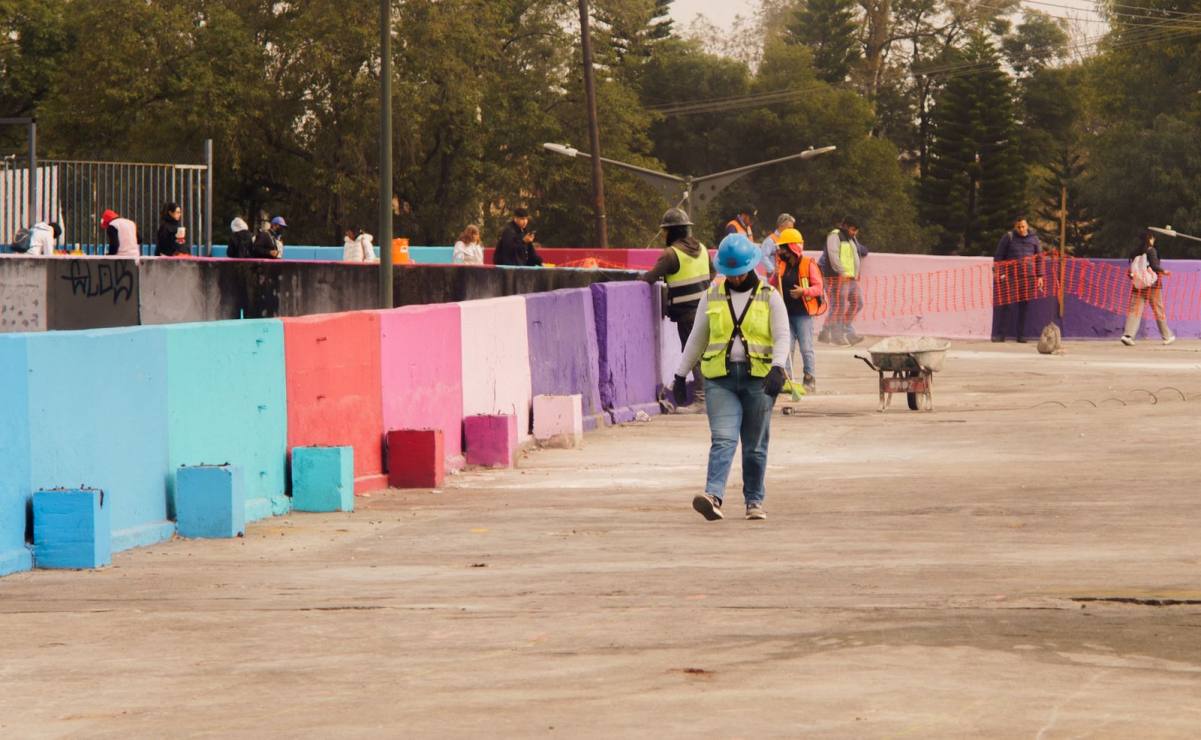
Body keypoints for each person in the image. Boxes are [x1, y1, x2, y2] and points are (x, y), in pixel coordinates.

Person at [673, 233, 790, 522]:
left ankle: (754, 500)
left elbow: (782, 335)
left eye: (739, 274)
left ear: (751, 266)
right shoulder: (711, 296)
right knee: (723, 439)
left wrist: (778, 367)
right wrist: (680, 373)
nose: (735, 279)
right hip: (720, 380)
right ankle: (713, 496)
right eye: (730, 274)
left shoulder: (769, 296)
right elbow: (697, 338)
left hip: (759, 380)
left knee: (754, 445)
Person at [640, 207, 716, 408]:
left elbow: (649, 277)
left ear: (673, 231)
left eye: (665, 230)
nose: (663, 234)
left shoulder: (671, 254)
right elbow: (712, 273)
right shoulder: (702, 249)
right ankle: (710, 397)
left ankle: (701, 399)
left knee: (694, 354)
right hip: (707, 308)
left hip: (688, 314)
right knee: (706, 353)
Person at [776, 228, 824, 393]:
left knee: (806, 347)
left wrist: (803, 292)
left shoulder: (808, 263)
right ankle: (787, 380)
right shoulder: (781, 265)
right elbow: (774, 284)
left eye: (783, 247)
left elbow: (819, 288)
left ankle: (809, 378)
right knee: (786, 348)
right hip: (786, 314)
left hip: (803, 314)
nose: (780, 251)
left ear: (792, 248)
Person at [991, 217, 1045, 343]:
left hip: (1029, 277)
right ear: (1015, 227)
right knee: (1007, 305)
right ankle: (1000, 335)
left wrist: (1040, 276)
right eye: (1018, 227)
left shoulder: (1035, 239)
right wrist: (1000, 273)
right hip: (1011, 276)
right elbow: (999, 256)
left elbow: (1039, 259)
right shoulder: (1008, 237)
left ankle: (1021, 336)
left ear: (1027, 226)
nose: (1021, 229)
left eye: (1023, 226)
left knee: (1024, 306)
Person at [1121, 229, 1176, 346]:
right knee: (1158, 310)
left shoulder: (1135, 252)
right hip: (1153, 286)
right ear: (1150, 238)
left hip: (1138, 285)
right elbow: (1155, 266)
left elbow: (1132, 270)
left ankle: (1128, 335)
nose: (1154, 240)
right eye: (1153, 238)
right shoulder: (1151, 251)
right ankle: (1167, 336)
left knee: (1134, 310)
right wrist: (1164, 271)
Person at [820, 217, 866, 345]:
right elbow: (834, 256)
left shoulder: (851, 239)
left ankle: (841, 329)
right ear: (845, 226)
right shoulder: (835, 236)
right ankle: (837, 335)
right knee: (839, 307)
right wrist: (841, 272)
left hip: (851, 278)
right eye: (852, 229)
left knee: (858, 303)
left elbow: (858, 254)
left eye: (856, 230)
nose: (854, 232)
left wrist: (855, 274)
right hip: (837, 278)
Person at [760, 213, 795, 279]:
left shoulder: (788, 240)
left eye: (792, 229)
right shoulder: (770, 240)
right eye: (789, 228)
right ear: (781, 226)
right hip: (773, 278)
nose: (791, 231)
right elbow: (762, 256)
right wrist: (773, 270)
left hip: (785, 276)